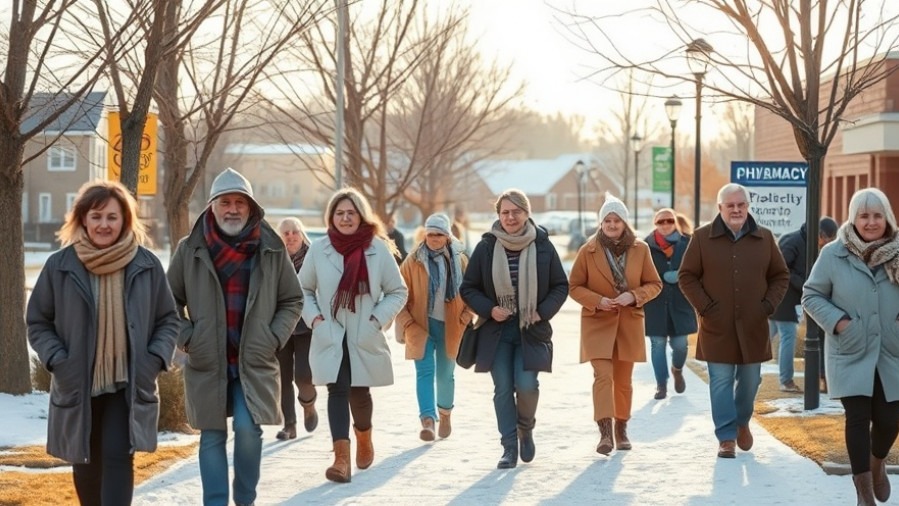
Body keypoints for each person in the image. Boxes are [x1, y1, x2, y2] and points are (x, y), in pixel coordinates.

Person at [27, 180, 179, 505]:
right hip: (77, 381)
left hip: (128, 381)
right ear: (82, 219)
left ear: (125, 220)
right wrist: (58, 360)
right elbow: (38, 321)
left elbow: (169, 320)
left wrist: (154, 360)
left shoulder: (147, 265)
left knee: (117, 455)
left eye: (112, 217)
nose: (104, 225)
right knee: (84, 461)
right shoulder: (60, 265)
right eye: (96, 216)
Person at [166, 168, 302, 506]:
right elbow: (166, 303)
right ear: (212, 206)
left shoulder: (270, 247)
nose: (232, 209)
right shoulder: (190, 249)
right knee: (211, 436)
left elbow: (292, 299)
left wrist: (273, 337)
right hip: (207, 360)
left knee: (248, 430)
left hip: (253, 359)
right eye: (225, 201)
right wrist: (188, 338)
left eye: (239, 202)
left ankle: (245, 500)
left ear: (250, 206)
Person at [298, 188, 408, 483]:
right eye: (340, 213)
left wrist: (377, 319)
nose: (345, 218)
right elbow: (303, 290)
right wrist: (316, 319)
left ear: (360, 215)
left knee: (360, 393)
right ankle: (341, 460)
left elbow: (398, 291)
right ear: (331, 217)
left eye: (351, 213)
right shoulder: (319, 250)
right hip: (330, 333)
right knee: (336, 389)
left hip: (363, 333)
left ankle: (364, 437)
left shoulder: (377, 249)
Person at [802, 188, 899, 505]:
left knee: (890, 419)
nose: (871, 222)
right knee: (857, 418)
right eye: (864, 216)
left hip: (890, 351)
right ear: (853, 218)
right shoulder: (834, 253)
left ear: (887, 217)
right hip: (850, 349)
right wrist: (840, 322)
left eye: (877, 215)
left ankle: (876, 463)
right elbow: (811, 296)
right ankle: (864, 492)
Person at [678, 183, 788, 459]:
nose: (737, 209)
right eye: (731, 205)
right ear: (720, 208)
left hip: (754, 323)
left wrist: (767, 305)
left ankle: (741, 421)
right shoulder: (702, 237)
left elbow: (780, 276)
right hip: (717, 325)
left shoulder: (764, 237)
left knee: (751, 380)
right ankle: (726, 436)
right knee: (721, 380)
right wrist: (705, 307)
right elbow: (686, 276)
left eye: (741, 205)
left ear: (748, 207)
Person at [460, 189, 568, 469]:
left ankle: (526, 428)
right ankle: (509, 447)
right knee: (503, 389)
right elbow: (468, 288)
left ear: (526, 213)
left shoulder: (543, 245)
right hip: (496, 333)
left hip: (531, 330)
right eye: (505, 212)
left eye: (516, 211)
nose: (510, 217)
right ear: (498, 215)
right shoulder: (486, 247)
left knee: (528, 385)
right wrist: (489, 309)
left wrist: (542, 311)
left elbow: (560, 284)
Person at [569, 194, 662, 455]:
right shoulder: (587, 251)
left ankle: (622, 427)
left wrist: (633, 296)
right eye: (607, 220)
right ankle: (605, 433)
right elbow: (574, 286)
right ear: (601, 223)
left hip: (628, 323)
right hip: (597, 323)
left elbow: (655, 284)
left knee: (623, 382)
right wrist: (598, 300)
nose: (611, 224)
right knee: (603, 377)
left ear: (624, 222)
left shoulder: (640, 249)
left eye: (616, 220)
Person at [396, 213, 472, 441]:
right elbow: (398, 295)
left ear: (447, 236)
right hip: (420, 326)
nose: (434, 239)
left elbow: (472, 293)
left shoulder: (460, 260)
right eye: (430, 234)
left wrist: (465, 318)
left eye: (439, 234)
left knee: (445, 375)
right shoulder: (412, 261)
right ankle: (427, 421)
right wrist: (408, 323)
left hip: (451, 325)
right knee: (424, 372)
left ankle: (445, 413)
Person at [768, 217, 839, 393]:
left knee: (765, 336)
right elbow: (781, 269)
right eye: (826, 241)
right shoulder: (792, 241)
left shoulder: (810, 244)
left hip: (797, 298)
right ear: (820, 235)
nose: (825, 245)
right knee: (787, 336)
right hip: (784, 298)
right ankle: (786, 381)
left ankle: (745, 367)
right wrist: (806, 284)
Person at [643, 207, 696, 400]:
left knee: (680, 345)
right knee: (657, 345)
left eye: (669, 221)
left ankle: (677, 369)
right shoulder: (644, 246)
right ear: (655, 224)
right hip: (654, 303)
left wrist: (680, 276)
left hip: (681, 303)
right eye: (660, 221)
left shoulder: (688, 243)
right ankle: (661, 385)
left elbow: (697, 270)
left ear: (675, 222)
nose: (665, 225)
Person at [274, 217, 319, 440]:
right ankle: (289, 426)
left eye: (295, 232)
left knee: (303, 375)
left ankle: (309, 404)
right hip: (280, 327)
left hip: (306, 326)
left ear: (302, 234)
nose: (290, 236)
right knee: (282, 377)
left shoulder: (314, 259)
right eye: (286, 233)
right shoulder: (273, 260)